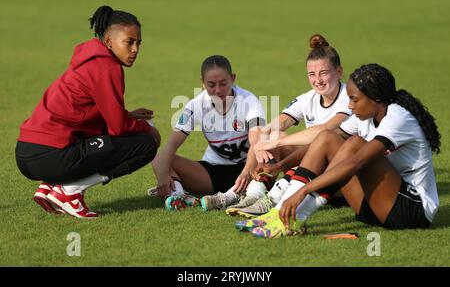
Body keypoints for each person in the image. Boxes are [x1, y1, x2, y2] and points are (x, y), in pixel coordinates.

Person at [237, 63, 440, 238]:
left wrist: (303, 191)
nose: (350, 106)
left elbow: (356, 162)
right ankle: (281, 213)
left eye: (355, 99)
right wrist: (280, 165)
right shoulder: (365, 116)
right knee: (327, 137)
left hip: (411, 211)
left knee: (355, 144)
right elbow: (322, 143)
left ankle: (294, 218)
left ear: (376, 98)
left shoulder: (397, 118)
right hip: (374, 207)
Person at [15, 6, 161, 219]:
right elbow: (118, 128)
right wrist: (146, 128)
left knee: (118, 135)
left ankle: (52, 185)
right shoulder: (107, 67)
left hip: (28, 153)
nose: (135, 49)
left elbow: (87, 115)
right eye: (129, 42)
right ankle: (69, 192)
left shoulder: (91, 58)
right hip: (49, 154)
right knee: (146, 144)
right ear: (109, 41)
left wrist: (128, 115)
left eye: (138, 43)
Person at [203, 34, 351, 214]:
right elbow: (269, 129)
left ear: (339, 71)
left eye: (324, 73)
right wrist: (259, 149)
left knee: (290, 142)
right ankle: (246, 194)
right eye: (312, 74)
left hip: (342, 179)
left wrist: (277, 143)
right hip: (313, 169)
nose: (318, 80)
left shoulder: (350, 98)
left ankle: (271, 200)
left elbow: (326, 130)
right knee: (271, 135)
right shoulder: (308, 98)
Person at [149, 55, 266, 210]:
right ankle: (179, 196)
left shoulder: (249, 101)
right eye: (211, 85)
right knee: (159, 159)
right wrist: (163, 175)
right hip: (212, 173)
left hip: (248, 169)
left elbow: (256, 142)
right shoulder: (195, 106)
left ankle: (233, 195)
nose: (218, 90)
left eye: (223, 83)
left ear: (232, 78)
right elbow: (171, 145)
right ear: (202, 83)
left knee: (272, 143)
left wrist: (246, 172)